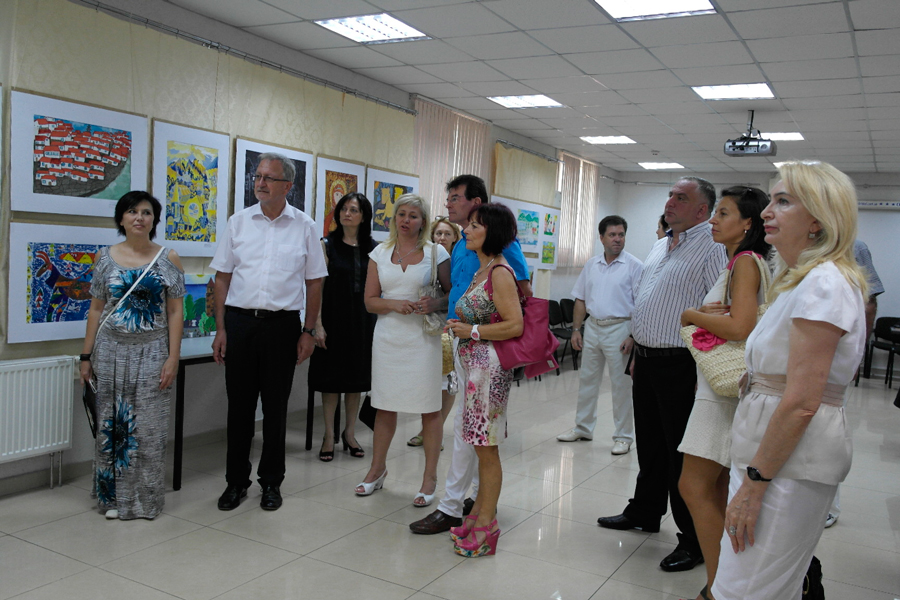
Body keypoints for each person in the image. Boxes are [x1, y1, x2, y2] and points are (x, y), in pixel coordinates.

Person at [714, 161, 867, 600]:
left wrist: (755, 484)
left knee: (745, 590)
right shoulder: (801, 281)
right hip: (771, 454)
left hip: (787, 464)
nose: (766, 211)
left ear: (818, 219)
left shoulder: (825, 284)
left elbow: (801, 402)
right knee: (749, 583)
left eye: (783, 202)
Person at [598, 177, 726, 573]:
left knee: (679, 453)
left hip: (681, 363)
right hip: (647, 358)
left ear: (702, 210)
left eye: (681, 198)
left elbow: (719, 311)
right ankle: (645, 510)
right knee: (650, 442)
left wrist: (702, 369)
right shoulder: (660, 243)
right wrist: (639, 345)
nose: (670, 202)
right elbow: (648, 300)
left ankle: (693, 538)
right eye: (670, 195)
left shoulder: (713, 247)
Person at [409, 174, 531, 535]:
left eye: (455, 198)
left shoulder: (501, 253)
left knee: (473, 433)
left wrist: (475, 330)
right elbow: (460, 292)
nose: (448, 204)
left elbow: (517, 304)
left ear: (476, 203)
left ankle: (457, 507)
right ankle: (475, 503)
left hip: (485, 356)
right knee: (472, 433)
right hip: (463, 346)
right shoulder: (464, 247)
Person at [211, 152, 327, 512]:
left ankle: (272, 482)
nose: (260, 183)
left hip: (282, 326)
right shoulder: (239, 222)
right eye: (257, 176)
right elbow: (222, 278)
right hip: (240, 323)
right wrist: (220, 328)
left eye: (268, 178)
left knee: (276, 408)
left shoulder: (304, 226)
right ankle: (236, 481)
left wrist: (309, 330)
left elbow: (315, 282)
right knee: (239, 408)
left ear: (287, 185)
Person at [676, 187, 771, 600]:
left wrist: (691, 315)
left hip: (719, 398)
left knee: (692, 486)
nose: (713, 220)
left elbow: (740, 327)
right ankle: (725, 583)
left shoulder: (745, 262)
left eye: (724, 213)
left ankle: (718, 589)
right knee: (713, 489)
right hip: (718, 391)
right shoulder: (742, 262)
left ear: (748, 223)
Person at [80, 191, 185, 520]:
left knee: (149, 430)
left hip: (153, 352)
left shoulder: (169, 258)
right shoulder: (104, 258)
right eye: (132, 211)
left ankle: (144, 501)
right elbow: (96, 309)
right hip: (110, 352)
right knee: (112, 428)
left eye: (146, 212)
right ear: (121, 219)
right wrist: (85, 356)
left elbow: (175, 312)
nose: (139, 217)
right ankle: (113, 499)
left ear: (154, 220)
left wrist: (173, 357)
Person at [356, 194, 451, 506]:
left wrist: (435, 303)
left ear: (423, 221)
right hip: (388, 338)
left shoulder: (436, 253)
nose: (406, 220)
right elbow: (370, 301)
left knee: (430, 408)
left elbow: (453, 296)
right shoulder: (379, 253)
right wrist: (394, 304)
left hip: (424, 339)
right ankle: (377, 470)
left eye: (413, 215)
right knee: (385, 405)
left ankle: (429, 477)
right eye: (401, 214)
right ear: (393, 218)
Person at [446, 202, 523, 557]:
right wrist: (461, 327)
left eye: (475, 226)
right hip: (474, 372)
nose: (466, 230)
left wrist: (472, 331)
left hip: (488, 372)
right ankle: (476, 514)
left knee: (487, 449)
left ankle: (487, 525)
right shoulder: (483, 269)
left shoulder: (500, 272)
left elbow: (515, 324)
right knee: (479, 444)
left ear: (492, 232)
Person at [556, 215, 641, 455]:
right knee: (587, 381)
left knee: (621, 385)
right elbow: (580, 299)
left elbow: (641, 305)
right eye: (612, 235)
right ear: (601, 237)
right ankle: (583, 428)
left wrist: (633, 335)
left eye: (621, 234)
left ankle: (623, 436)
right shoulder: (591, 264)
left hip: (621, 328)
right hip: (593, 327)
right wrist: (576, 329)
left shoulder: (635, 266)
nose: (617, 239)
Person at [310, 192, 378, 461]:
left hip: (363, 322)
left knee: (355, 380)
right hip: (332, 320)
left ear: (364, 216)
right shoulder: (326, 245)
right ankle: (328, 435)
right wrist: (317, 325)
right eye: (343, 209)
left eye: (354, 210)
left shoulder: (374, 248)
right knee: (331, 381)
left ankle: (350, 433)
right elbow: (317, 288)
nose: (347, 214)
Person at [408, 216, 462, 448]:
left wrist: (439, 303)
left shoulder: (459, 260)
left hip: (451, 326)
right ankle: (427, 428)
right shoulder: (426, 258)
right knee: (428, 379)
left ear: (455, 238)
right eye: (438, 233)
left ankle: (434, 431)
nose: (442, 238)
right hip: (426, 327)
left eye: (447, 234)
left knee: (447, 380)